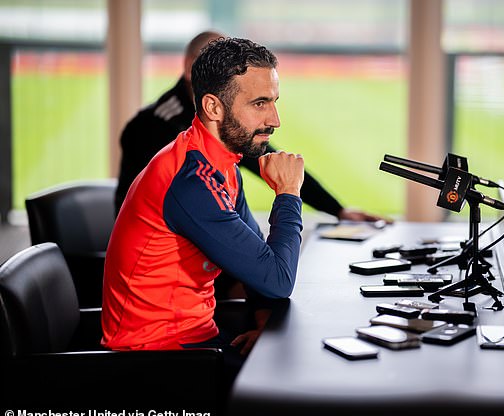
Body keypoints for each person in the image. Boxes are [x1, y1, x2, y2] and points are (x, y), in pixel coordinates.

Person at [101, 38, 303, 377]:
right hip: (156, 361)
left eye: (274, 102)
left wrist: (263, 321)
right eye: (260, 103)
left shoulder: (220, 164)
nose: (275, 119)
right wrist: (288, 193)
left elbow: (256, 264)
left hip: (195, 336)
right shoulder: (191, 181)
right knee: (295, 378)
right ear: (213, 108)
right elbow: (278, 279)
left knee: (288, 356)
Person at [115, 30, 388, 223]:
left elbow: (267, 157)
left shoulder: (227, 124)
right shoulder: (152, 126)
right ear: (192, 71)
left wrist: (337, 210)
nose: (273, 120)